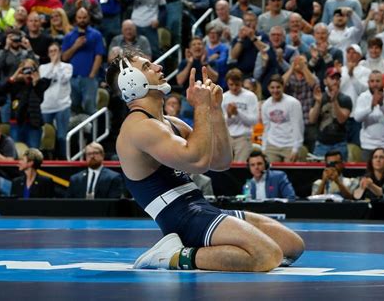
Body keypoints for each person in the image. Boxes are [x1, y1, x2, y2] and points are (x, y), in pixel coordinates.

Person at [105, 46, 304, 271]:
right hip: (182, 220)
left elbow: (221, 162)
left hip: (200, 209)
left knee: (292, 246)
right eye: (147, 66)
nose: (159, 67)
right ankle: (173, 256)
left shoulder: (171, 123)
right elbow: (197, 161)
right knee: (267, 255)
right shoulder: (139, 127)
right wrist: (200, 107)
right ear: (130, 81)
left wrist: (214, 109)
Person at [62, 8, 105, 115]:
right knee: (74, 108)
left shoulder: (96, 35)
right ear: (76, 19)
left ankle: (93, 131)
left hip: (89, 78)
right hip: (73, 78)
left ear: (89, 18)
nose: (82, 20)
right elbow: (64, 57)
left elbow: (99, 56)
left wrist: (92, 75)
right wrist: (75, 46)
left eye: (84, 17)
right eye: (79, 18)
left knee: (90, 108)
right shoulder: (69, 36)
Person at [2, 58, 51, 148]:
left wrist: (35, 81)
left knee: (33, 151)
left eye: (31, 69)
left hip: (33, 124)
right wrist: (15, 75)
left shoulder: (40, 84)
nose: (28, 72)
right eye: (25, 69)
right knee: (16, 151)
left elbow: (40, 98)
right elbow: (2, 91)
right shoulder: (15, 84)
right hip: (16, 122)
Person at [353, 71, 384, 162]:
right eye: (372, 81)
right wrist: (371, 107)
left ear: (383, 82)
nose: (375, 84)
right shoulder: (363, 97)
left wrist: (382, 105)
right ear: (368, 83)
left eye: (378, 81)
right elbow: (357, 118)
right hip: (368, 145)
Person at [308, 67, 352, 160]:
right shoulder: (319, 97)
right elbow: (312, 119)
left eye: (337, 79)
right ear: (325, 81)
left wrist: (334, 101)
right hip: (321, 144)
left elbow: (341, 120)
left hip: (339, 144)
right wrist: (318, 103)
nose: (335, 81)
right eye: (332, 78)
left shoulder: (345, 99)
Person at [39, 43, 73, 159]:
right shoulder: (42, 68)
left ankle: (64, 159)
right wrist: (53, 64)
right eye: (51, 51)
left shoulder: (67, 66)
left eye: (55, 51)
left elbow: (64, 79)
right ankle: (47, 158)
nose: (54, 53)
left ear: (60, 52)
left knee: (61, 136)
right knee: (45, 135)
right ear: (48, 54)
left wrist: (57, 65)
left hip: (62, 105)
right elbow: (44, 80)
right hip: (46, 106)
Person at [261, 75, 304, 163]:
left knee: (291, 173)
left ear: (283, 87)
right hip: (272, 145)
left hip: (290, 145)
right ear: (268, 88)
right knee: (270, 172)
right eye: (272, 87)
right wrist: (264, 147)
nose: (275, 90)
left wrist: (296, 148)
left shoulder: (293, 103)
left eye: (278, 87)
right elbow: (266, 128)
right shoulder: (265, 105)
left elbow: (298, 126)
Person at [222, 68, 259, 162]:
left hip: (244, 137)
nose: (234, 87)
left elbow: (254, 121)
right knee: (225, 168)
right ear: (227, 83)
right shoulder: (223, 97)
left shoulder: (250, 96)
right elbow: (220, 123)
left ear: (241, 82)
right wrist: (229, 115)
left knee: (240, 168)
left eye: (237, 84)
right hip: (227, 137)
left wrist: (238, 113)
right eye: (231, 84)